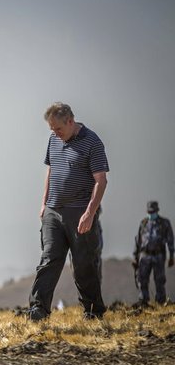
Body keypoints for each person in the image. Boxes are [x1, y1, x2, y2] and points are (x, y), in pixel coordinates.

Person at [28, 102, 109, 321]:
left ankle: (93, 311)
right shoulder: (53, 139)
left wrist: (90, 213)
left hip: (80, 212)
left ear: (71, 121)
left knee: (83, 264)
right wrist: (44, 203)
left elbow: (101, 181)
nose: (55, 133)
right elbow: (51, 170)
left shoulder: (92, 142)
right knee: (49, 259)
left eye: (58, 128)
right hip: (53, 212)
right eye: (51, 129)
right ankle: (38, 309)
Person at [133, 201, 174, 305]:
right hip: (144, 255)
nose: (151, 214)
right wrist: (135, 256)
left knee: (159, 280)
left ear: (157, 211)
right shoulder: (143, 223)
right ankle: (143, 301)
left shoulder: (165, 223)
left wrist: (171, 256)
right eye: (149, 212)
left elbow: (170, 240)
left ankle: (160, 301)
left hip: (158, 255)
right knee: (142, 279)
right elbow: (138, 240)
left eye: (153, 211)